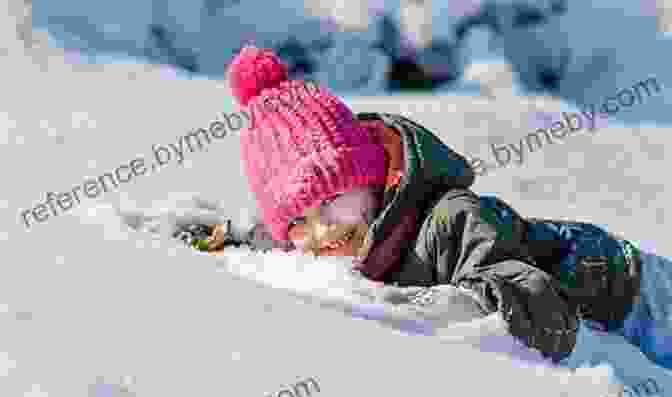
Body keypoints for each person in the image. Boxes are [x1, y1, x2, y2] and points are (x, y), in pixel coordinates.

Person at [215, 45, 672, 368]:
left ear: (374, 179)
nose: (322, 232)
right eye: (298, 220)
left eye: (333, 201)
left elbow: (534, 305)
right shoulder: (322, 242)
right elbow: (270, 239)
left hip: (627, 289)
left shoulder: (451, 218)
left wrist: (430, 308)